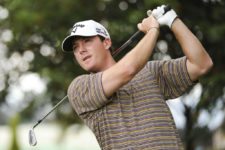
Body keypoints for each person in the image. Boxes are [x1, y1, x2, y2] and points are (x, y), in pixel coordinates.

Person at [61, 5, 213, 150]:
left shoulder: (150, 71)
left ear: (106, 42)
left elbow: (201, 64)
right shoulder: (79, 88)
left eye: (87, 41)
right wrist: (153, 30)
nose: (81, 50)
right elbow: (128, 69)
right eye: (75, 47)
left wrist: (173, 20)